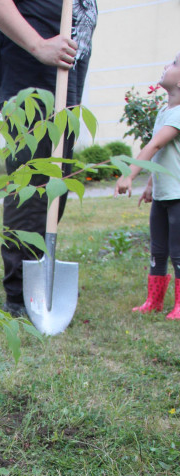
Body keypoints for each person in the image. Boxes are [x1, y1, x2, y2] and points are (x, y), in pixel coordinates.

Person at [0, 0, 98, 316]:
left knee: (56, 183)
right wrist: (38, 45)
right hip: (33, 64)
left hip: (63, 67)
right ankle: (19, 293)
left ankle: (36, 273)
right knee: (32, 181)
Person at [115, 54, 180, 319]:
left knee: (178, 251)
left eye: (175, 64)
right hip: (165, 194)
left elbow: (155, 145)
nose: (167, 66)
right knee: (158, 249)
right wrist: (151, 184)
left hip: (179, 196)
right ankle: (154, 301)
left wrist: (129, 174)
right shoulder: (165, 112)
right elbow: (161, 156)